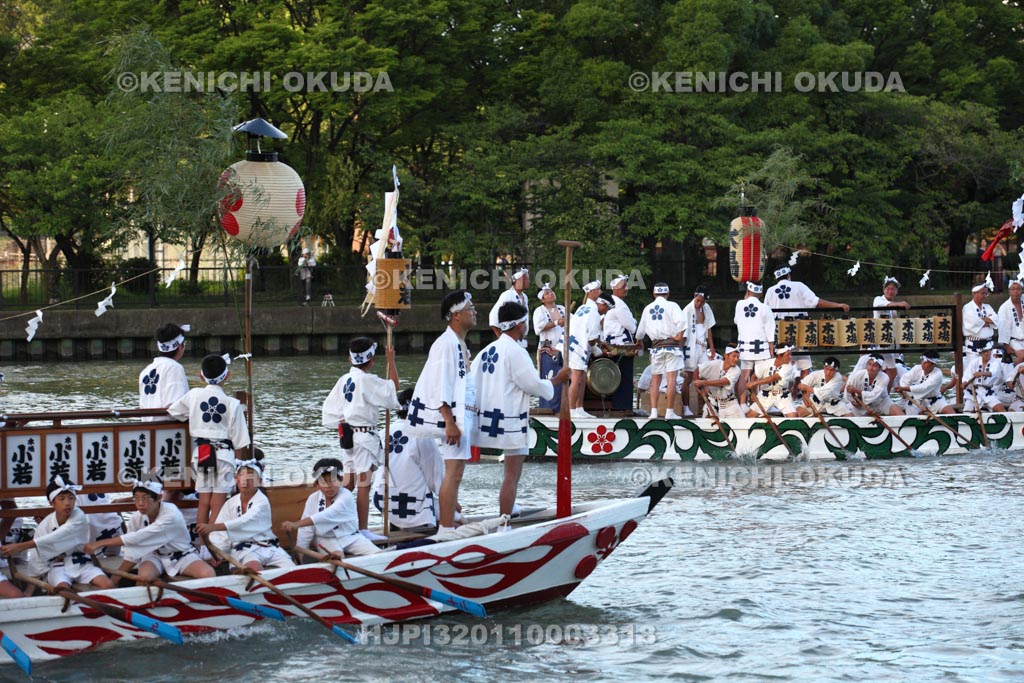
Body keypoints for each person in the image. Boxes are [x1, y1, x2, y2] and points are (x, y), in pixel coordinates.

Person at [471, 302, 570, 517]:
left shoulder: (486, 352)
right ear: (519, 325)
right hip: (510, 420)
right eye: (525, 322)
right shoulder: (515, 351)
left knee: (510, 472)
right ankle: (506, 517)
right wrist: (558, 379)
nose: (526, 326)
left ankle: (509, 508)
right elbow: (533, 385)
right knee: (512, 473)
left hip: (487, 419)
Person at [406, 290, 476, 534]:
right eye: (470, 308)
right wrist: (449, 421)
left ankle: (449, 520)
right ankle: (446, 528)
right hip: (452, 418)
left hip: (460, 416)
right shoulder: (445, 344)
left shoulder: (458, 343)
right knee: (452, 472)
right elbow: (439, 384)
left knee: (456, 472)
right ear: (456, 315)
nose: (474, 312)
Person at [322, 336, 400, 541]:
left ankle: (338, 524)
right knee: (363, 485)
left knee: (347, 484)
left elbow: (331, 410)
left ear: (350, 359)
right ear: (372, 360)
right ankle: (363, 529)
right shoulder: (367, 380)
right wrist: (391, 360)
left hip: (348, 436)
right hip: (364, 437)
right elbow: (394, 389)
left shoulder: (345, 379)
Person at [167, 353, 251, 532]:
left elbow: (174, 411)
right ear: (227, 376)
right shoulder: (232, 403)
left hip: (203, 452)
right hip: (224, 455)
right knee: (218, 502)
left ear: (200, 375)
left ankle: (201, 543)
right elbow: (240, 441)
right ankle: (211, 545)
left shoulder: (194, 395)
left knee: (204, 500)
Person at [85, 479, 215, 581]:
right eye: (136, 498)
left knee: (208, 574)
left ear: (159, 498)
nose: (140, 503)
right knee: (144, 578)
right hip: (154, 555)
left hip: (181, 554)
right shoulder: (136, 518)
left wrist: (100, 543)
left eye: (145, 498)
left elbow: (139, 537)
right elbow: (132, 551)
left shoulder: (171, 514)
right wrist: (117, 578)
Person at [1, 475, 114, 592]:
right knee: (63, 589)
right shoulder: (44, 525)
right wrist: (29, 591)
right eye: (61, 499)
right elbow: (37, 557)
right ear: (52, 503)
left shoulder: (79, 516)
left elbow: (58, 536)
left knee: (107, 584)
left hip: (80, 562)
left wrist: (20, 546)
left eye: (71, 498)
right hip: (56, 566)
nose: (67, 503)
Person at [198, 458, 294, 571]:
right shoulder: (230, 504)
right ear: (236, 479)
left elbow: (245, 521)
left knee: (293, 570)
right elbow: (220, 535)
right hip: (244, 549)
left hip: (269, 547)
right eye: (242, 475)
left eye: (250, 477)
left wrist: (212, 527)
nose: (245, 480)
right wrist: (218, 553)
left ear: (259, 480)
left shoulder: (262, 501)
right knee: (254, 569)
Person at [373, 388, 447, 531]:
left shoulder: (383, 432)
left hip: (383, 501)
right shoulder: (422, 435)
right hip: (413, 504)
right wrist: (452, 503)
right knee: (456, 517)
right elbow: (436, 478)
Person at [282, 458, 380, 557]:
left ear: (341, 480)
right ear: (317, 484)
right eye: (323, 482)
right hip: (325, 539)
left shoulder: (346, 496)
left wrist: (297, 524)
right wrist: (301, 556)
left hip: (351, 537)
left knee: (379, 554)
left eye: (333, 480)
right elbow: (306, 530)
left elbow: (328, 514)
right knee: (337, 557)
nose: (329, 486)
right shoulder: (313, 499)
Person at [765, 266, 849, 379]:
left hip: (780, 334)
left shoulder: (770, 291)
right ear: (789, 275)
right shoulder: (799, 285)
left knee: (780, 366)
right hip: (800, 332)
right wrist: (838, 305)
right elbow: (816, 302)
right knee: (804, 368)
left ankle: (782, 392)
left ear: (776, 278)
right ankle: (803, 391)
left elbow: (766, 314)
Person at [635, 283, 685, 419]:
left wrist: (639, 341)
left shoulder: (647, 308)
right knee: (671, 379)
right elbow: (682, 322)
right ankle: (669, 412)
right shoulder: (672, 306)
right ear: (667, 294)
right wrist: (679, 337)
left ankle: (653, 412)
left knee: (655, 381)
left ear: (654, 294)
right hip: (672, 347)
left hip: (656, 348)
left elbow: (639, 332)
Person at [566, 281, 607, 419]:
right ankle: (571, 410)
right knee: (577, 379)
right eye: (598, 290)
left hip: (575, 345)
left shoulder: (582, 308)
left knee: (582, 379)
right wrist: (597, 350)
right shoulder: (593, 313)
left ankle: (579, 408)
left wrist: (596, 344)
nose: (600, 291)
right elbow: (591, 339)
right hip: (577, 347)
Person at [139, 323, 190, 422]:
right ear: (180, 346)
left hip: (147, 429)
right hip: (166, 430)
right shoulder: (174, 367)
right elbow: (175, 406)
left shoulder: (146, 370)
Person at [734, 281, 775, 404]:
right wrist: (771, 349)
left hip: (744, 345)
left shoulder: (739, 304)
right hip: (760, 346)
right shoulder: (765, 308)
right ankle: (761, 403)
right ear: (761, 293)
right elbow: (770, 330)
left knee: (744, 375)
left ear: (747, 291)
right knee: (762, 375)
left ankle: (742, 404)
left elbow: (736, 321)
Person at [680, 286, 716, 416]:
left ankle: (707, 407)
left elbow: (709, 328)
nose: (699, 303)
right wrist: (680, 351)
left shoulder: (706, 308)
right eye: (698, 300)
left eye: (702, 301)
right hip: (690, 346)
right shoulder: (687, 310)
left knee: (707, 374)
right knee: (688, 377)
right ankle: (685, 407)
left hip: (703, 346)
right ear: (695, 296)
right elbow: (682, 332)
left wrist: (712, 347)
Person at [873, 276, 912, 387]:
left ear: (896, 291)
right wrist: (900, 304)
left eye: (893, 289)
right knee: (877, 370)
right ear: (883, 290)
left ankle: (885, 394)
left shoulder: (893, 307)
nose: (890, 291)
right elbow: (884, 305)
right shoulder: (878, 299)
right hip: (879, 343)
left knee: (892, 372)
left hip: (889, 344)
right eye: (888, 289)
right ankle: (877, 393)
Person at [533, 283, 565, 412]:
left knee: (563, 378)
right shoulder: (539, 311)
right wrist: (557, 322)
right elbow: (537, 329)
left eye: (551, 291)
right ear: (542, 299)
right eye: (547, 293)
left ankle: (563, 406)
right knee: (549, 378)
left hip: (563, 348)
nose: (551, 293)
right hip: (547, 350)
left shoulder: (562, 308)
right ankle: (547, 407)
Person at [896, 351, 956, 415]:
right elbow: (904, 380)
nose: (923, 363)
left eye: (926, 362)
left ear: (933, 364)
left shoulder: (938, 374)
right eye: (922, 360)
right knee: (905, 415)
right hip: (916, 400)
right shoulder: (917, 368)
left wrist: (903, 388)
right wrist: (905, 392)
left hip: (934, 400)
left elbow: (924, 387)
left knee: (952, 414)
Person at [846, 352, 905, 417]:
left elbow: (873, 395)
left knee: (900, 415)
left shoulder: (884, 377)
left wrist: (855, 390)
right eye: (869, 364)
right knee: (848, 415)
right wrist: (853, 401)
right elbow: (847, 391)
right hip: (860, 403)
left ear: (880, 368)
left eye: (875, 366)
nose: (871, 368)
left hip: (881, 401)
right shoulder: (857, 375)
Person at [746, 345, 797, 417]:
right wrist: (753, 393)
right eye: (788, 354)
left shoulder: (788, 366)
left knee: (793, 416)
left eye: (790, 354)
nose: (790, 357)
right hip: (765, 394)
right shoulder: (766, 363)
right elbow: (754, 376)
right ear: (779, 355)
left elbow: (775, 377)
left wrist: (755, 383)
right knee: (750, 415)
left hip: (782, 395)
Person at [695, 346, 744, 419]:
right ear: (726, 356)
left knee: (742, 424)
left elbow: (723, 382)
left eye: (738, 357)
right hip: (712, 402)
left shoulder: (736, 370)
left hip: (730, 403)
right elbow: (697, 370)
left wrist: (703, 383)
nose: (736, 359)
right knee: (706, 427)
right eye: (734, 356)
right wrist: (696, 385)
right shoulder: (714, 364)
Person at [489, 267, 530, 346]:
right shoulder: (507, 295)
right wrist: (501, 338)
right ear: (517, 280)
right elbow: (493, 316)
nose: (528, 281)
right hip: (510, 340)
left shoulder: (525, 297)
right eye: (525, 279)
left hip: (522, 341)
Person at [962, 343, 1007, 413]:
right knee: (967, 413)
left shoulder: (995, 362)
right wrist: (964, 383)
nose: (986, 354)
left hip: (988, 392)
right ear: (980, 353)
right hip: (974, 392)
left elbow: (992, 373)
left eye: (988, 351)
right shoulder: (974, 362)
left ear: (991, 351)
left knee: (1001, 410)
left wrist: (981, 373)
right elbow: (967, 376)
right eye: (984, 352)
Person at [962, 282, 997, 356]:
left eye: (986, 293)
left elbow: (996, 319)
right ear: (974, 293)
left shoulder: (988, 307)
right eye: (982, 293)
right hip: (973, 346)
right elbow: (974, 322)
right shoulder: (967, 308)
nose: (984, 296)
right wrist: (988, 321)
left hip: (988, 345)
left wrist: (981, 320)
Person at [997, 278, 1024, 364]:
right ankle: (1012, 373)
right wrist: (1006, 346)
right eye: (1013, 289)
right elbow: (1002, 328)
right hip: (1014, 340)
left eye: (1018, 289)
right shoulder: (1004, 308)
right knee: (1022, 356)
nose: (1016, 291)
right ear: (1009, 292)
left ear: (1022, 291)